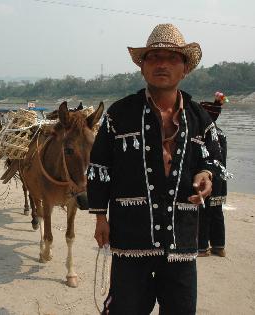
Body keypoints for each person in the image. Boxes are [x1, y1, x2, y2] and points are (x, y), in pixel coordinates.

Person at [85, 24, 228, 314]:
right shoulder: (118, 114)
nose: (162, 64)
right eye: (153, 57)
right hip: (130, 235)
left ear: (185, 68)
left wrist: (205, 175)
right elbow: (100, 167)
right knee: (126, 308)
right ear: (142, 67)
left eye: (172, 58)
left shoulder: (201, 118)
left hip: (182, 240)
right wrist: (101, 217)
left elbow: (212, 158)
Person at [198, 92, 231, 257]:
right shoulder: (221, 133)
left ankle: (202, 248)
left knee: (203, 213)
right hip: (221, 178)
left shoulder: (204, 134)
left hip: (207, 177)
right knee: (217, 213)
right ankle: (219, 247)